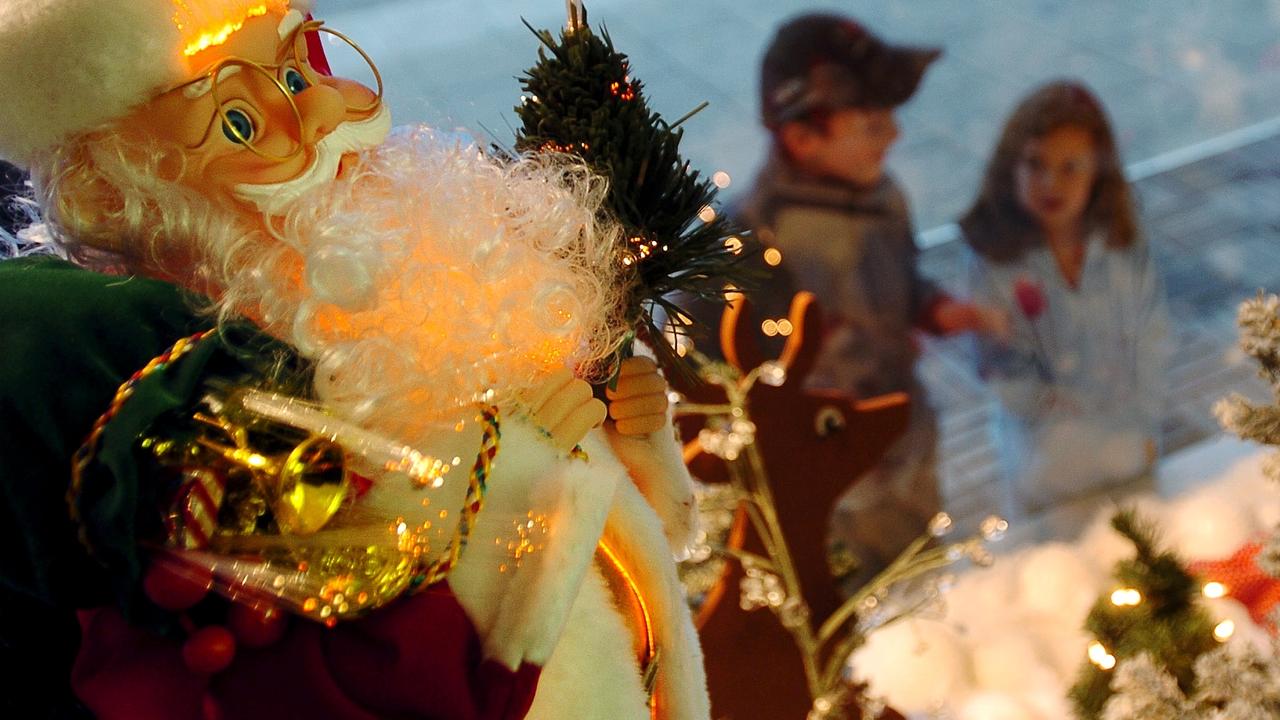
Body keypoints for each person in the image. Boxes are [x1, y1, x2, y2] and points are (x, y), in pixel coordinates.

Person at [0, 1, 708, 718]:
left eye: (301, 74)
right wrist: (512, 489)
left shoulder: (433, 286)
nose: (320, 124)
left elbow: (644, 542)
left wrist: (629, 438)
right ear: (117, 193)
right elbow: (352, 666)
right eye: (240, 123)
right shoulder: (214, 428)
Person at [735, 13, 1005, 589]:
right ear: (803, 137)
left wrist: (934, 309)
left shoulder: (883, 195)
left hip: (905, 431)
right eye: (872, 123)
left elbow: (901, 280)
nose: (895, 135)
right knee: (852, 588)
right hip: (832, 471)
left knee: (915, 554)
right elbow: (735, 361)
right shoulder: (763, 237)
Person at [960, 80, 1170, 517]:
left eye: (1070, 167)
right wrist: (1064, 428)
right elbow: (1000, 365)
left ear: (1098, 172)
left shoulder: (1121, 242)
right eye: (1035, 165)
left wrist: (1148, 416)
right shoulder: (995, 260)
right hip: (1044, 464)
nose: (1050, 182)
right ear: (1009, 168)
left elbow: (1153, 330)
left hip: (1130, 445)